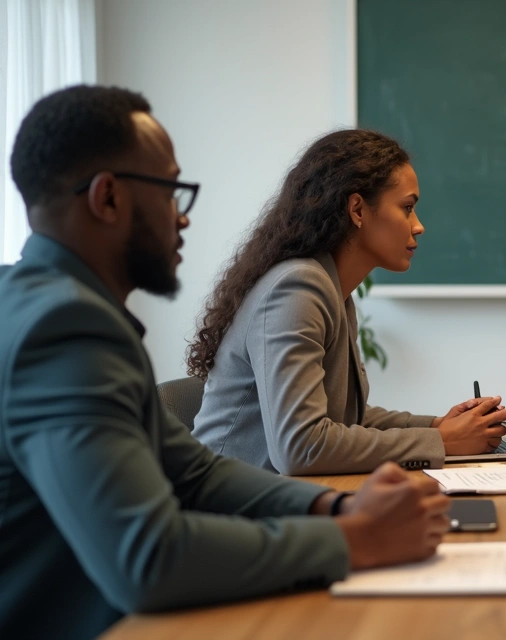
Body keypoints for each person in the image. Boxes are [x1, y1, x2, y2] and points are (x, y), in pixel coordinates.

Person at [0, 86, 451, 639]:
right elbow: (148, 558)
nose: (182, 218)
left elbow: (196, 473)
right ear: (108, 199)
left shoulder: (56, 308)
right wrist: (354, 539)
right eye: (171, 192)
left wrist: (335, 509)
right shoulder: (62, 331)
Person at [188, 129, 506, 475]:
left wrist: (438, 426)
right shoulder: (297, 290)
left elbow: (343, 420)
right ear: (357, 209)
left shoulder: (331, 290)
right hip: (223, 501)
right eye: (407, 208)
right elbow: (300, 447)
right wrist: (442, 441)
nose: (418, 226)